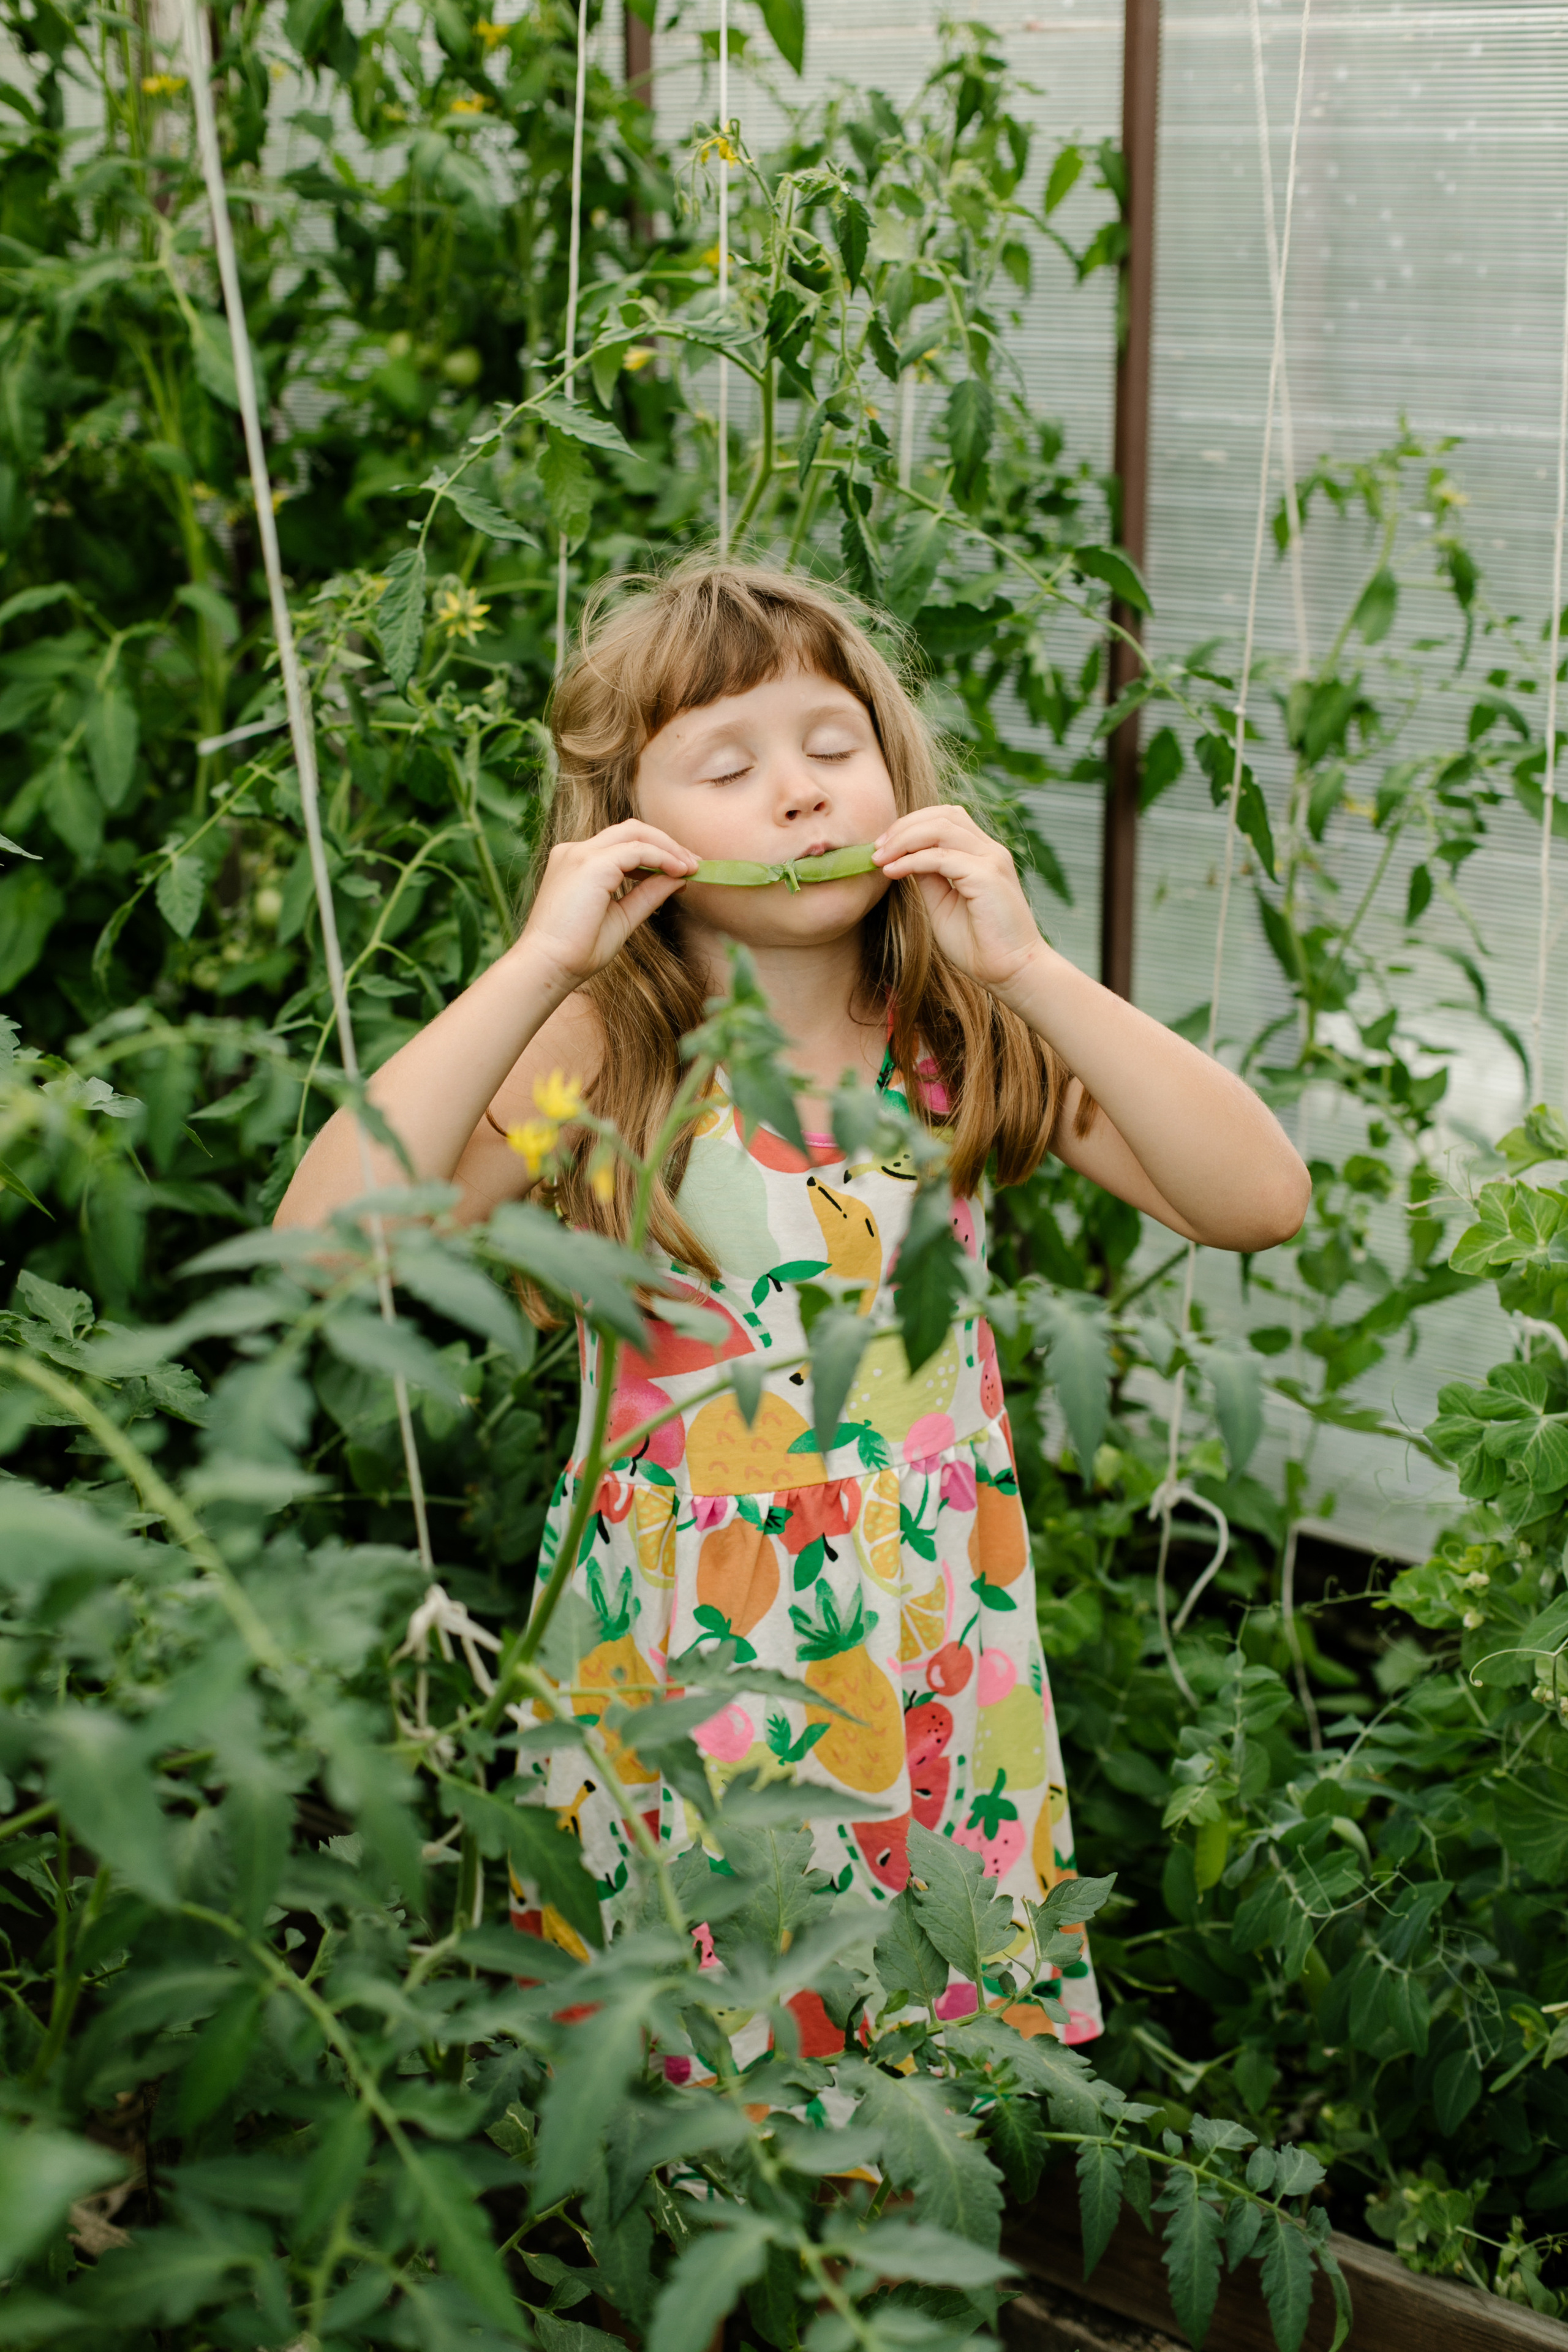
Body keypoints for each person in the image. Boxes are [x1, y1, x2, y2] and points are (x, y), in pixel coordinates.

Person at [277, 559, 1310, 2048]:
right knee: (708, 2052)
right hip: (688, 1652)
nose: (800, 796)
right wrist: (535, 966)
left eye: (835, 746)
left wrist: (1027, 966)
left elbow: (1254, 1201)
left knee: (920, 2044)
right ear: (628, 833)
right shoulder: (602, 1062)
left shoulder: (957, 1036)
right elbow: (322, 1251)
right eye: (728, 763)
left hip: (930, 1631)